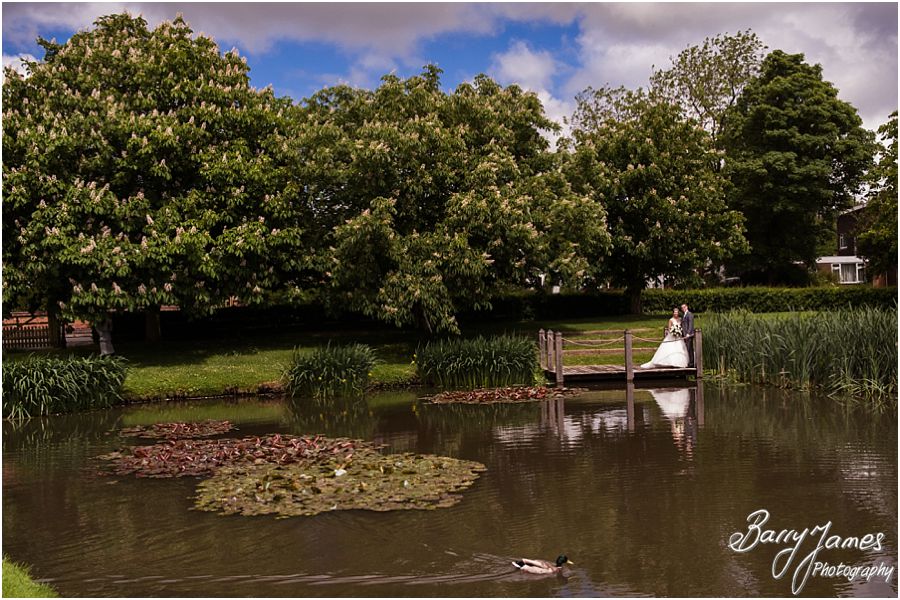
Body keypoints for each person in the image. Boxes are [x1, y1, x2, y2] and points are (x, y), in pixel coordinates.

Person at [681, 303, 695, 367]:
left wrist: (688, 333)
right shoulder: (684, 315)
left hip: (688, 335)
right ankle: (689, 361)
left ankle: (691, 363)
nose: (683, 309)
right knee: (687, 348)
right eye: (682, 308)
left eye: (684, 307)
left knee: (690, 349)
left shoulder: (690, 314)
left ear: (686, 307)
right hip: (684, 335)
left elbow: (690, 324)